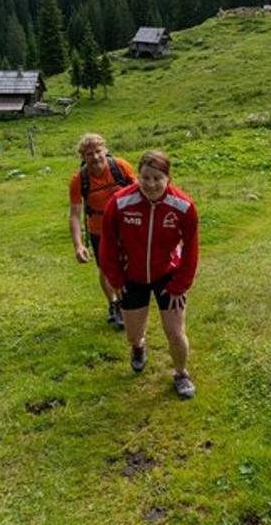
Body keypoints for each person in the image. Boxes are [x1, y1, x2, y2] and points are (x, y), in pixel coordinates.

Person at [100, 150, 199, 399]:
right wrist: (116, 278)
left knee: (176, 333)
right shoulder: (120, 203)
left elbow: (191, 249)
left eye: (157, 178)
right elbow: (107, 244)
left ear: (168, 178)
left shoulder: (183, 206)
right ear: (138, 176)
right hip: (131, 277)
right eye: (145, 177)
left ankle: (181, 373)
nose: (151, 184)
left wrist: (181, 284)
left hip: (169, 278)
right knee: (132, 333)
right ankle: (138, 347)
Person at [69, 133, 136, 329]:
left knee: (129, 264)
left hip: (126, 225)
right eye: (90, 154)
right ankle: (114, 304)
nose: (96, 157)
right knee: (105, 268)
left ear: (105, 151)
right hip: (99, 229)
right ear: (83, 157)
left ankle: (128, 301)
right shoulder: (79, 180)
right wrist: (78, 245)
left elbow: (140, 192)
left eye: (98, 152)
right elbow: (74, 214)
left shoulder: (121, 167)